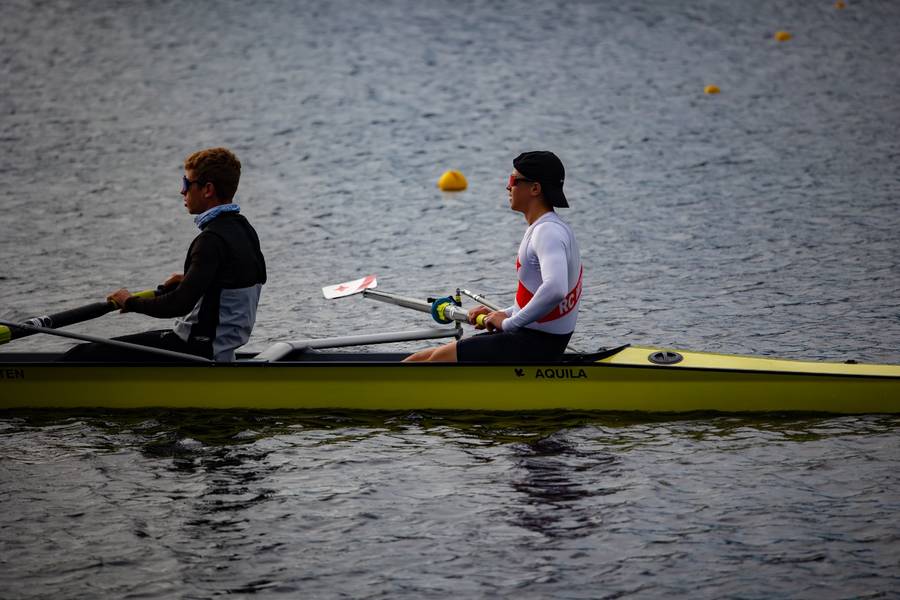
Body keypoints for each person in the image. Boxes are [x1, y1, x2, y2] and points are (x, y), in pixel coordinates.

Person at [62, 147, 266, 362]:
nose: (182, 191)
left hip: (195, 350)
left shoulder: (210, 240)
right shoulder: (244, 230)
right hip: (219, 346)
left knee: (79, 355)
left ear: (207, 189)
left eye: (186, 184)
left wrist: (130, 302)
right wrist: (191, 280)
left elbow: (178, 304)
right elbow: (237, 279)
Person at [404, 151, 582, 363]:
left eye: (513, 180)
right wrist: (504, 314)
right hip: (531, 338)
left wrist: (508, 323)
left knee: (437, 360)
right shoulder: (548, 228)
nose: (508, 187)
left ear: (535, 188)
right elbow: (539, 298)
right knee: (421, 358)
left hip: (535, 345)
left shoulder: (548, 232)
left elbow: (556, 290)